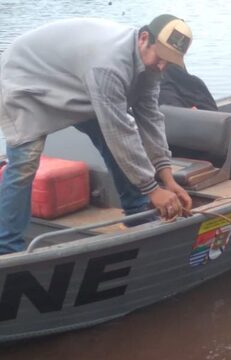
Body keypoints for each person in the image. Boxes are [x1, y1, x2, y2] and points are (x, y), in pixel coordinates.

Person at [0, 14, 194, 255]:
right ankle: (8, 250)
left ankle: (137, 214)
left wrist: (167, 179)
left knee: (116, 141)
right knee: (24, 164)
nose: (162, 66)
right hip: (24, 80)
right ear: (144, 38)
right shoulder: (109, 65)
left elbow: (151, 119)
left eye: (170, 61)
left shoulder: (151, 67)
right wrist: (153, 190)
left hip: (75, 82)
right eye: (160, 57)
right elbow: (119, 131)